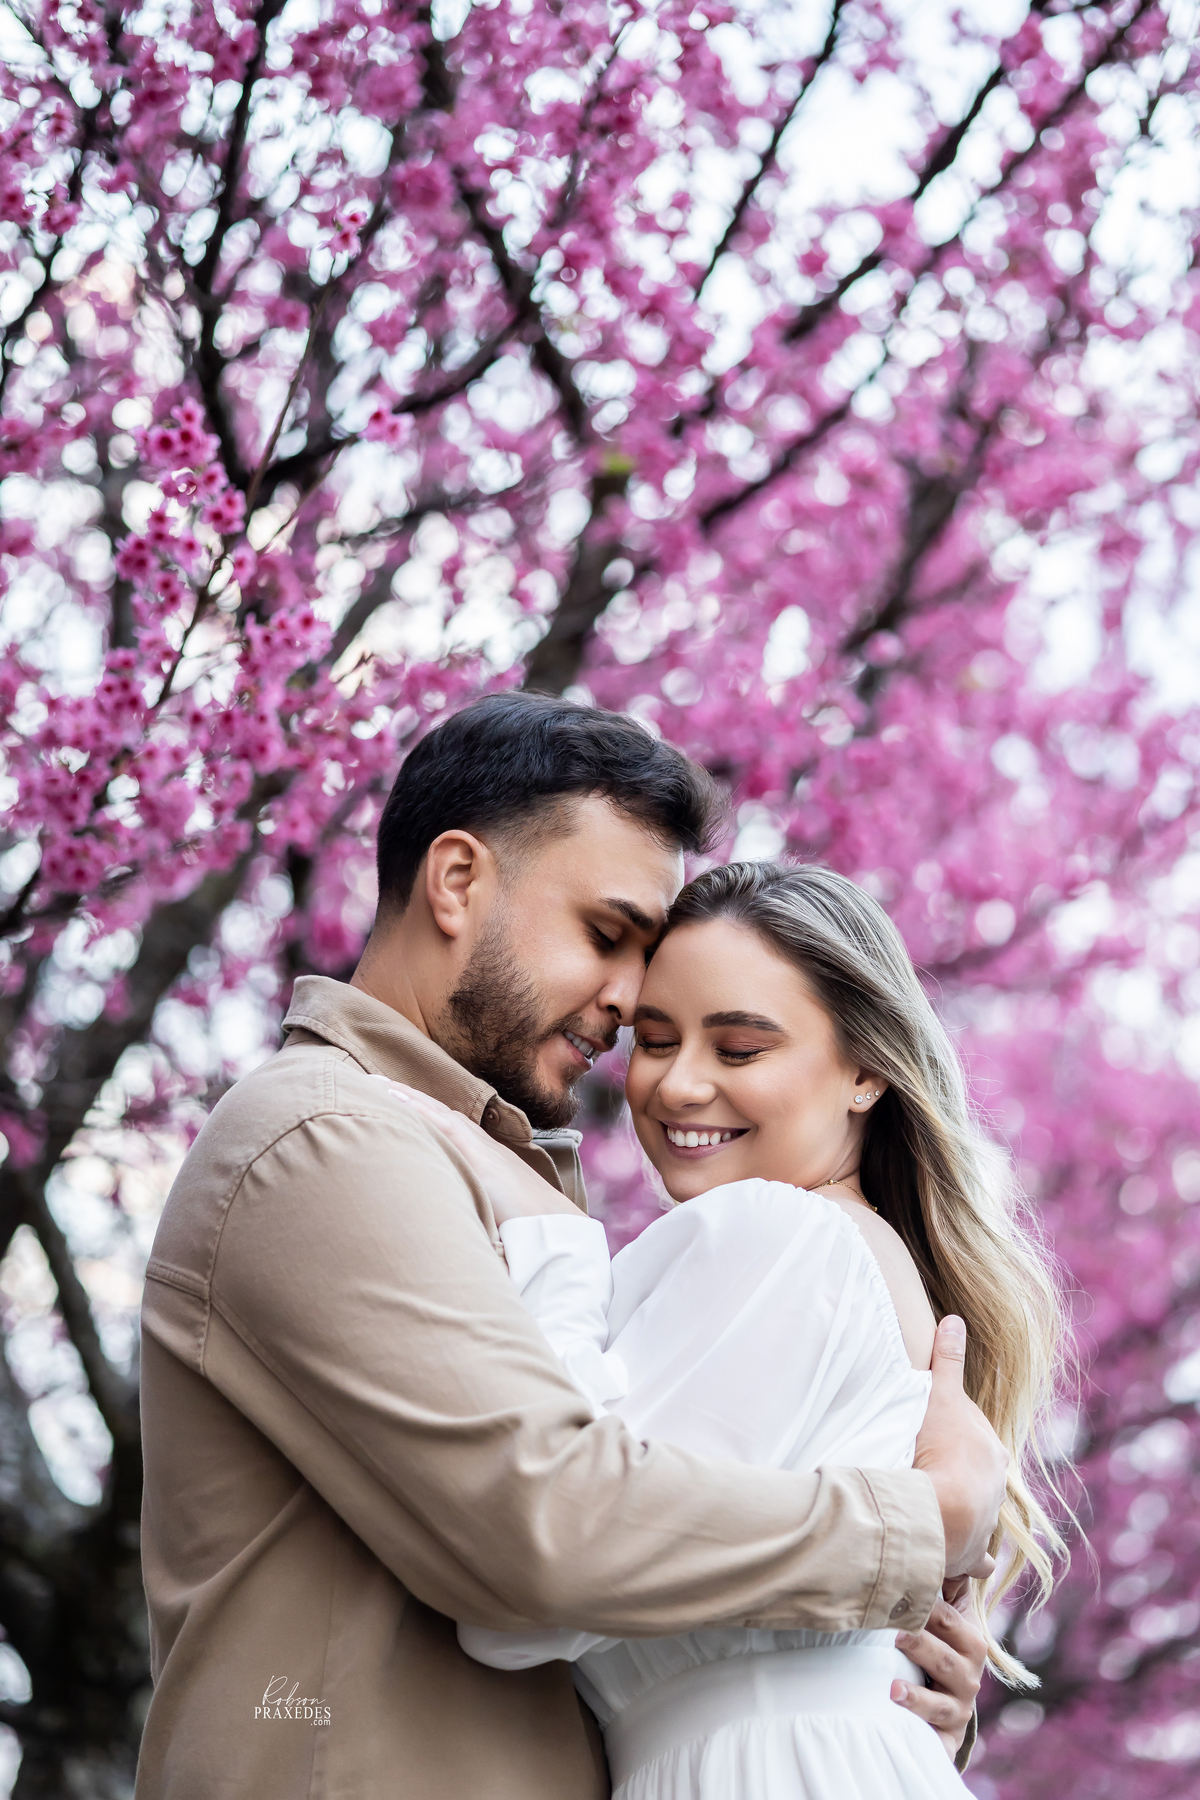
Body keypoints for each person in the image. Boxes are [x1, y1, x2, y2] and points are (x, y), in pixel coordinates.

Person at [135, 695, 1007, 1800]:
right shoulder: (331, 1134)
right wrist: (916, 1530)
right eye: (606, 935)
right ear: (457, 882)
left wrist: (873, 1681)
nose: (627, 1000)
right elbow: (545, 1530)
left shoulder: (483, 1158)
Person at [403, 860, 1068, 1799]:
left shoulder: (780, 1233)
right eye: (656, 1040)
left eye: (740, 1049)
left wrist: (554, 1266)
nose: (677, 1086)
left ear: (868, 1069)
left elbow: (525, 1603)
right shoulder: (857, 1255)